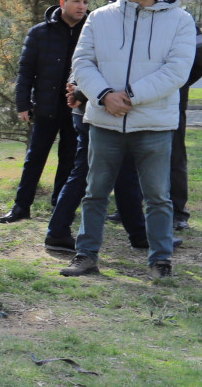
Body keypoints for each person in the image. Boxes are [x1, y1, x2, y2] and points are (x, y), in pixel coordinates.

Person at [62, 0, 197, 279]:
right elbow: (82, 63)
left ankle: (160, 260)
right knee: (95, 193)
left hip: (154, 124)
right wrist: (106, 96)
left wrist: (131, 97)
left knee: (157, 197)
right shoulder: (100, 18)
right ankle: (86, 255)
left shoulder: (180, 20)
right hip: (105, 121)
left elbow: (177, 71)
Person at [1, 0, 90, 223]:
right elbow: (25, 71)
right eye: (76, 1)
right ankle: (21, 207)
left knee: (69, 160)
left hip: (77, 108)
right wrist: (23, 103)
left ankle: (59, 209)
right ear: (63, 2)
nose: (81, 6)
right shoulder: (40, 32)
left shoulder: (92, 32)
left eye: (85, 2)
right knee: (35, 158)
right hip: (46, 107)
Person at [43, 77, 148, 254]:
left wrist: (77, 90)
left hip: (89, 111)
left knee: (114, 173)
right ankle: (57, 231)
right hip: (99, 114)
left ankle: (139, 233)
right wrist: (79, 91)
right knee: (102, 173)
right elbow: (107, 71)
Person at [170, 17, 202, 230]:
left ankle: (177, 211)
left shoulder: (185, 22)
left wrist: (179, 83)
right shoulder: (185, 20)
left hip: (168, 100)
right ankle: (176, 213)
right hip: (151, 99)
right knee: (173, 156)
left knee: (172, 157)